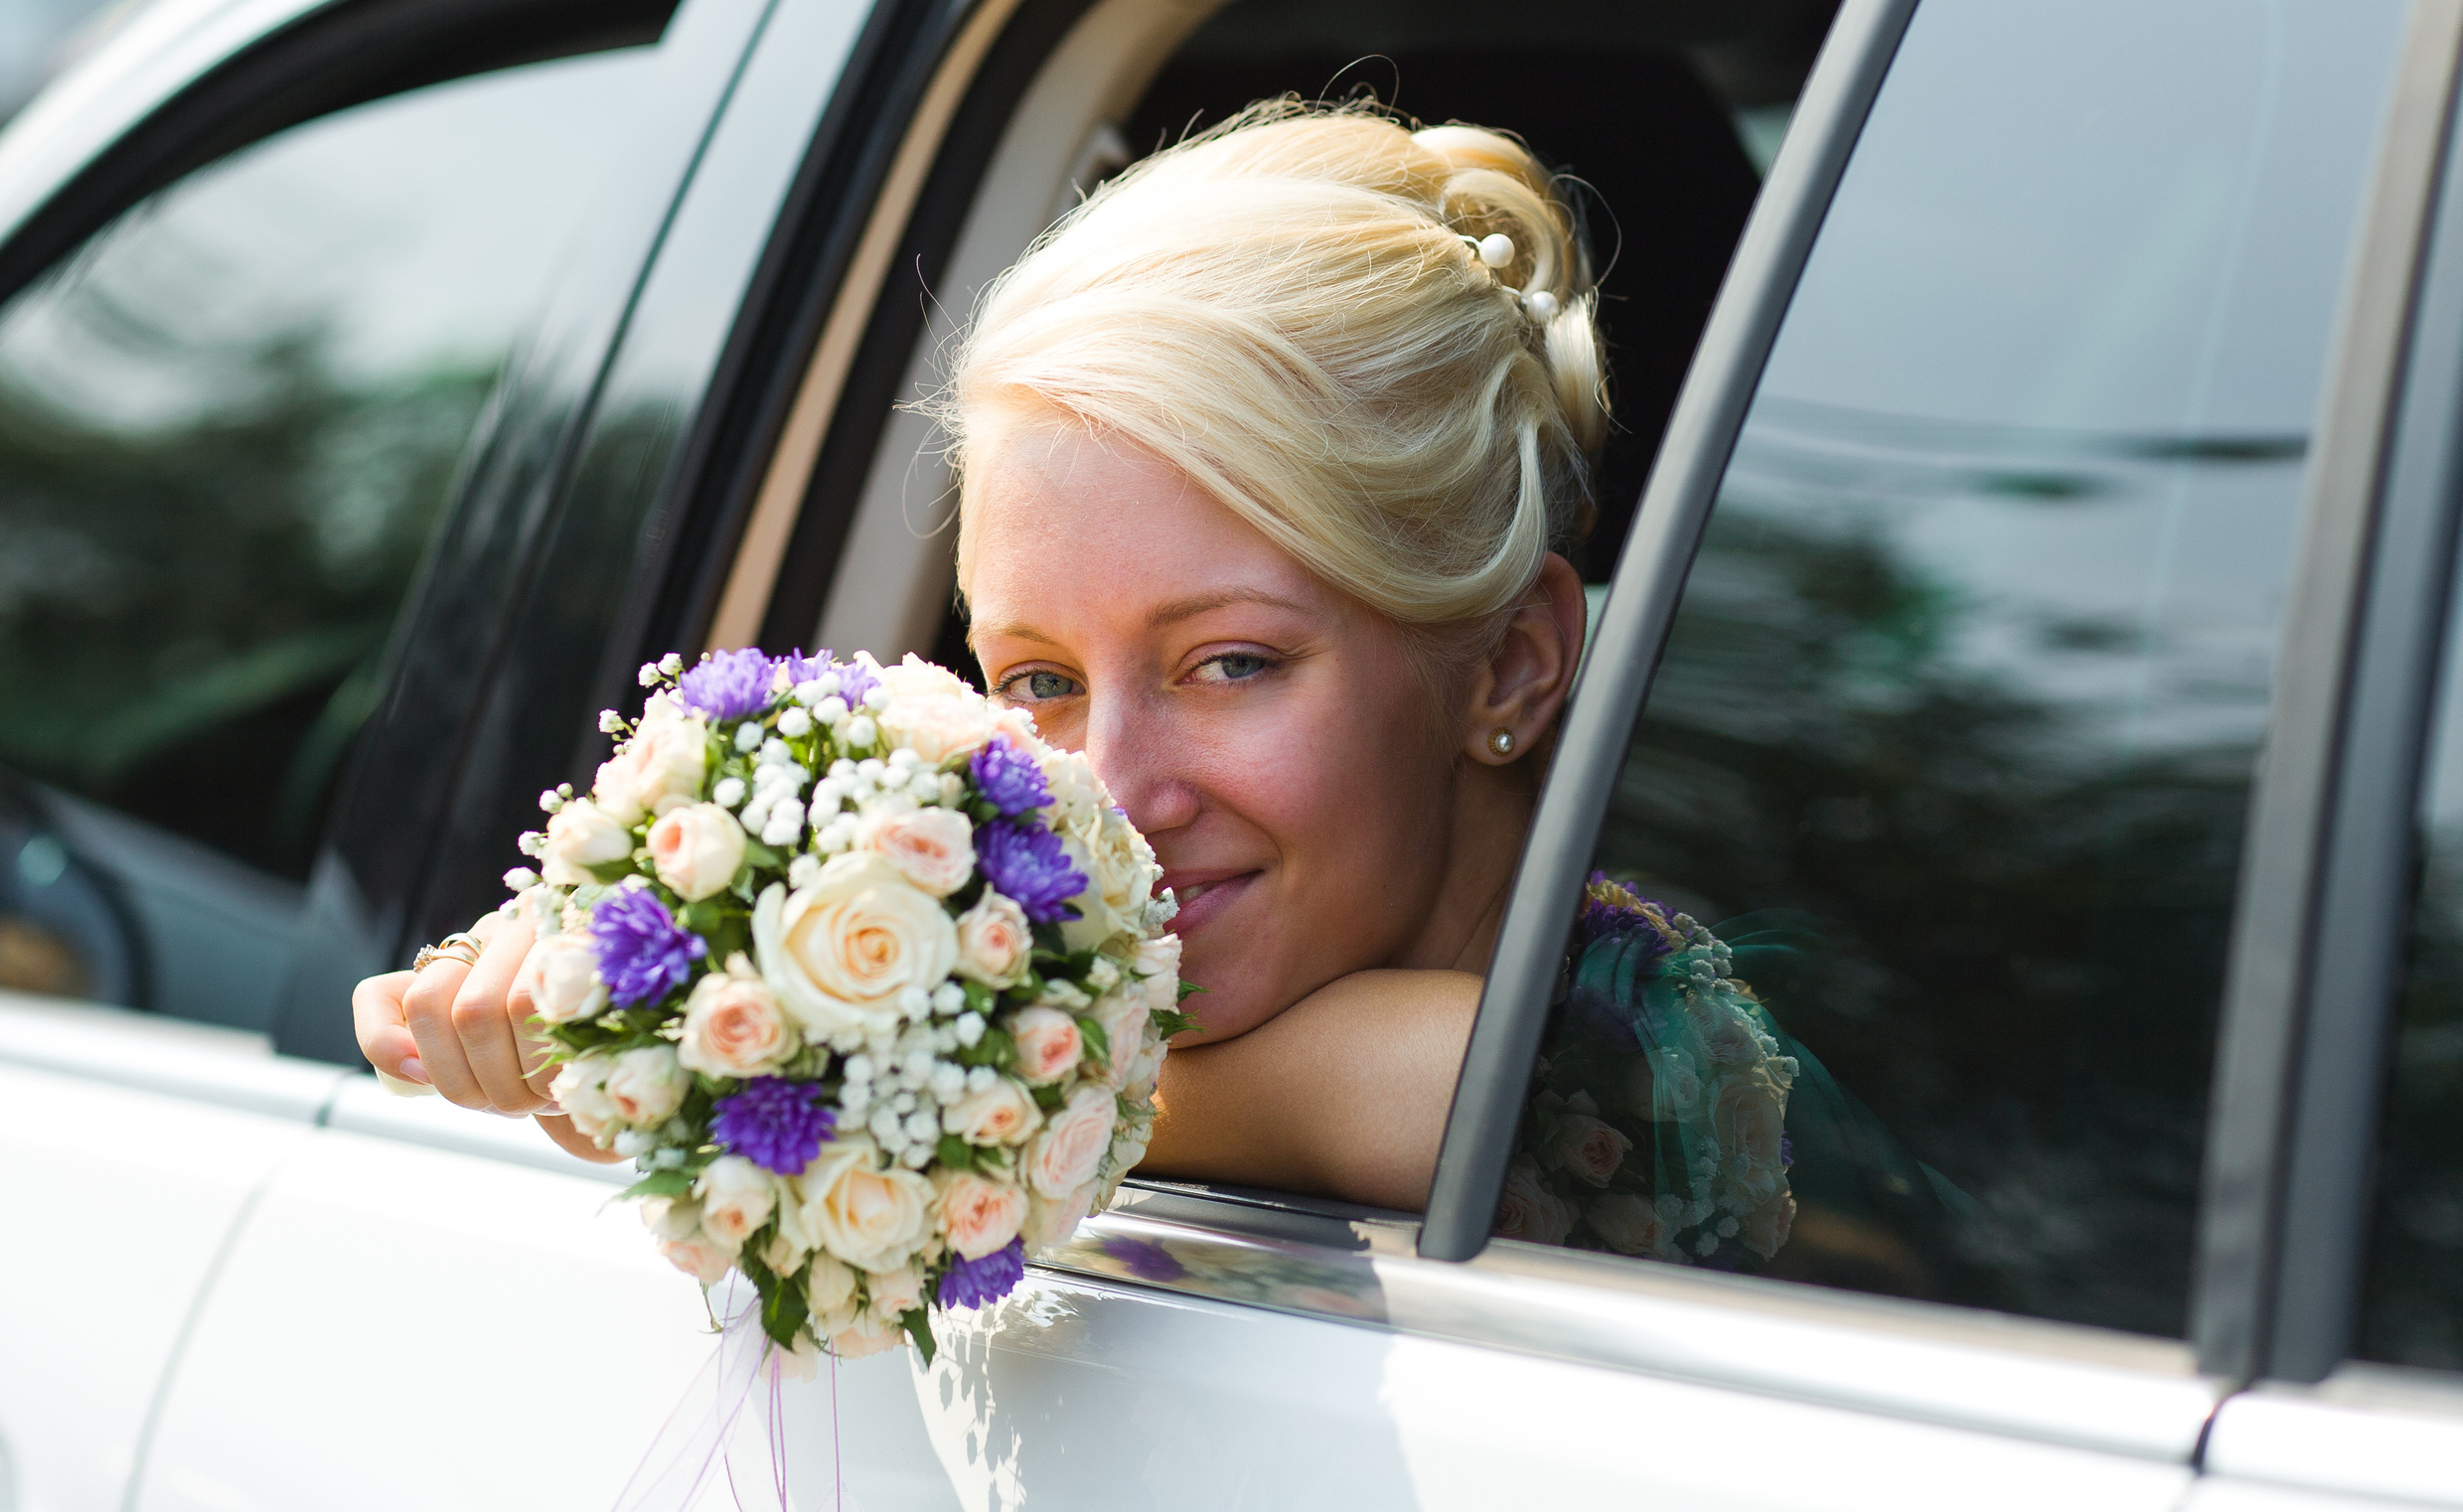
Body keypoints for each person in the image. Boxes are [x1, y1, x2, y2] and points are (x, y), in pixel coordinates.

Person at [353, 99, 1605, 1213]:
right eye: (1040, 682)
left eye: (1230, 663)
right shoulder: (1053, 944)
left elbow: (1434, 1091)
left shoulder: (1618, 1061)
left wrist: (738, 1051)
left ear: (1511, 666)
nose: (1111, 788)